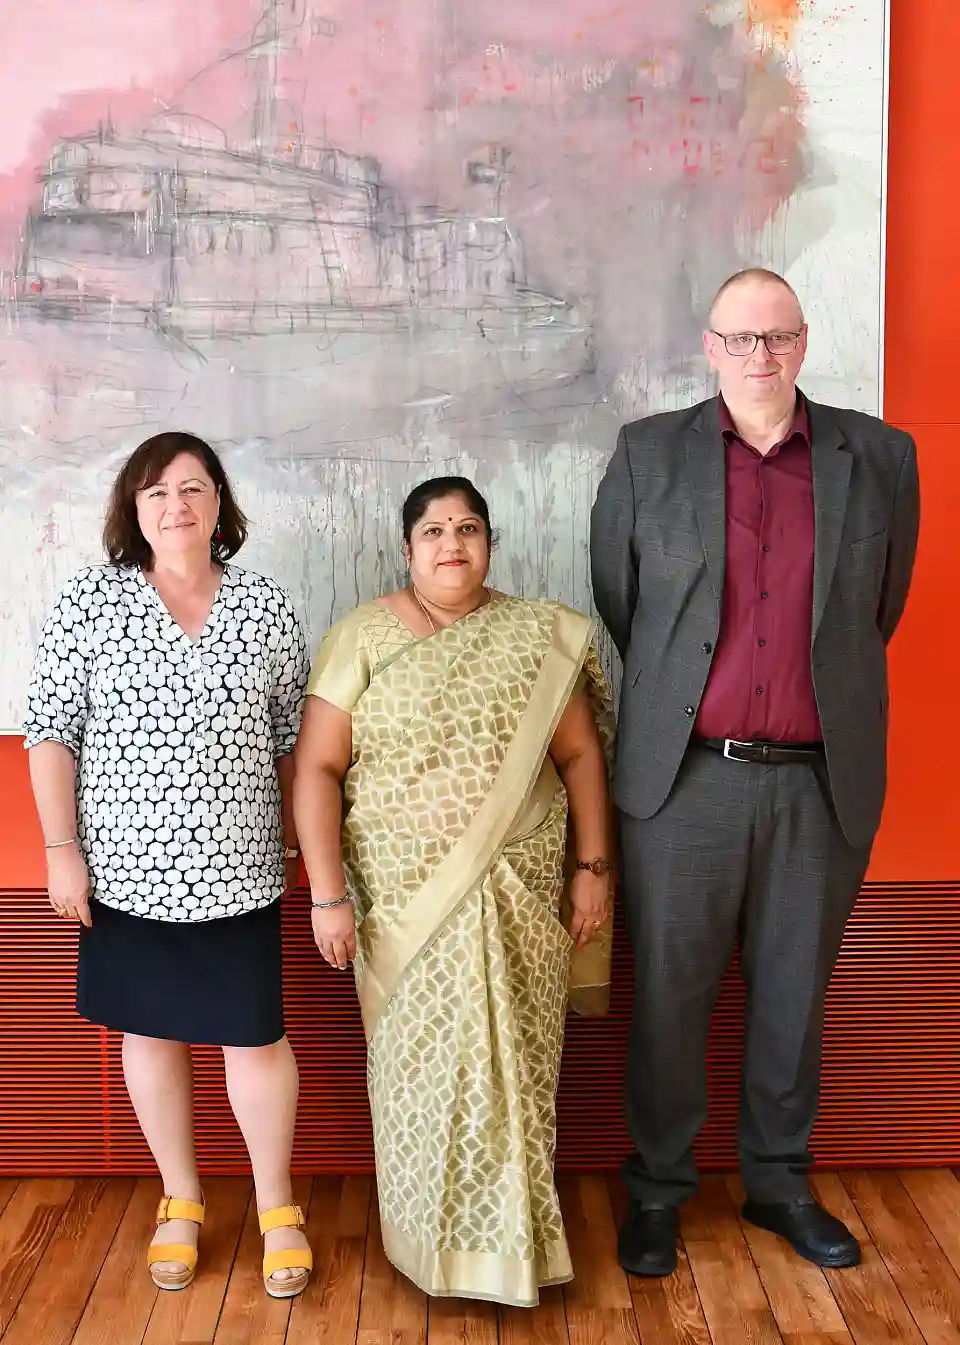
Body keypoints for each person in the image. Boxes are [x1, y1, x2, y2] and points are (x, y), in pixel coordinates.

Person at [591, 269, 920, 1276]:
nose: (760, 356)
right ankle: (657, 1190)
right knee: (671, 996)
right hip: (683, 779)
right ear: (710, 346)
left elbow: (880, 609)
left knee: (793, 995)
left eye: (777, 338)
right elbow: (624, 603)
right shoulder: (649, 453)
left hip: (822, 781)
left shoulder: (881, 457)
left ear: (805, 343)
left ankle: (778, 1182)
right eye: (742, 339)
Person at [293, 475, 615, 1307]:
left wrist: (592, 868)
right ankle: (428, 1246)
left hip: (519, 895)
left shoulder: (535, 636)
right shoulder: (360, 637)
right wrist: (326, 894)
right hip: (404, 907)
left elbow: (580, 757)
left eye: (468, 527)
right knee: (418, 1078)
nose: (451, 544)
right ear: (407, 549)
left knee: (519, 1073)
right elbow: (318, 770)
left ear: (490, 542)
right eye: (433, 531)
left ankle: (514, 1250)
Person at [24, 432, 314, 1298]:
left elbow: (292, 741)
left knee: (254, 1037)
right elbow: (51, 734)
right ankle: (180, 1199)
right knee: (149, 1034)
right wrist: (61, 853)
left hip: (243, 867)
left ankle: (276, 1204)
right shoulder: (90, 603)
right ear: (133, 509)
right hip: (125, 871)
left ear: (220, 501)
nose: (176, 505)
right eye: (156, 492)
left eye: (193, 488)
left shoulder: (265, 607)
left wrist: (300, 845)